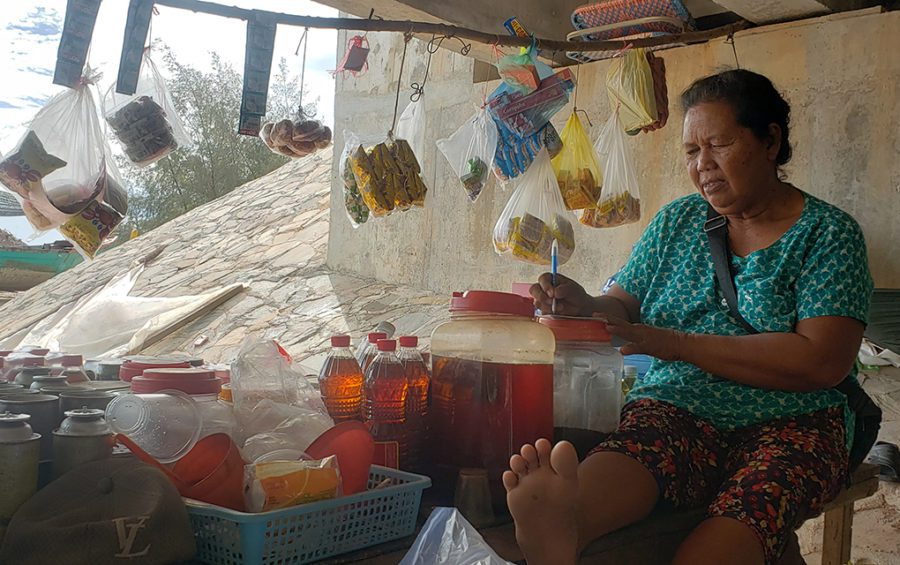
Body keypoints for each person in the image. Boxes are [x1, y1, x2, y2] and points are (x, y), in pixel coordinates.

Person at [505, 69, 874, 565]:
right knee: (638, 448)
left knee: (748, 511)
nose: (703, 165)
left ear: (770, 141)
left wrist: (677, 344)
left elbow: (821, 362)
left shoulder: (828, 234)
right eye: (691, 152)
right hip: (680, 404)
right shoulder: (678, 220)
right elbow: (624, 305)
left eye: (718, 145)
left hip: (792, 423)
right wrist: (587, 305)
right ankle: (563, 525)